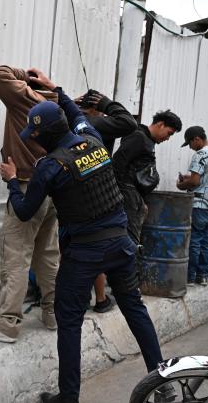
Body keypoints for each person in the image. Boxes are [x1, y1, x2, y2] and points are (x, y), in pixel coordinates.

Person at [0, 69, 163, 403]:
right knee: (135, 310)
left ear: (43, 137)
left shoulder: (49, 166)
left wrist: (13, 180)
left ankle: (68, 397)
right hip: (121, 243)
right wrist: (53, 86)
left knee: (69, 321)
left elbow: (25, 210)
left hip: (85, 254)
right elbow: (74, 113)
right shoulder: (93, 140)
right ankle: (164, 382)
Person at [0, 65, 60, 343]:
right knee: (47, 255)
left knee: (16, 257)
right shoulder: (55, 103)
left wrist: (23, 74)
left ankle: (7, 324)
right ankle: (52, 314)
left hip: (25, 186)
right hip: (53, 190)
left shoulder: (24, 97)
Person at [75, 90, 138, 313]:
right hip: (99, 195)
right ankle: (100, 299)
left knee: (74, 248)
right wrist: (108, 103)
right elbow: (128, 122)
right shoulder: (96, 124)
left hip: (71, 194)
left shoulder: (68, 121)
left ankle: (81, 300)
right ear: (95, 108)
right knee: (98, 247)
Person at [113, 110, 183, 244]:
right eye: (169, 133)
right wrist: (124, 194)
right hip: (127, 195)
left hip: (134, 195)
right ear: (161, 124)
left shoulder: (147, 140)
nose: (168, 138)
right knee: (130, 235)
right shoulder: (138, 137)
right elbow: (118, 163)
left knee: (133, 234)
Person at [176, 126, 208, 286]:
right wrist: (189, 177)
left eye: (190, 143)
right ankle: (203, 276)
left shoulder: (200, 155)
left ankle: (190, 277)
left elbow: (195, 182)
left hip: (199, 204)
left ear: (197, 139)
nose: (190, 147)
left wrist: (181, 184)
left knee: (195, 240)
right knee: (207, 241)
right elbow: (207, 177)